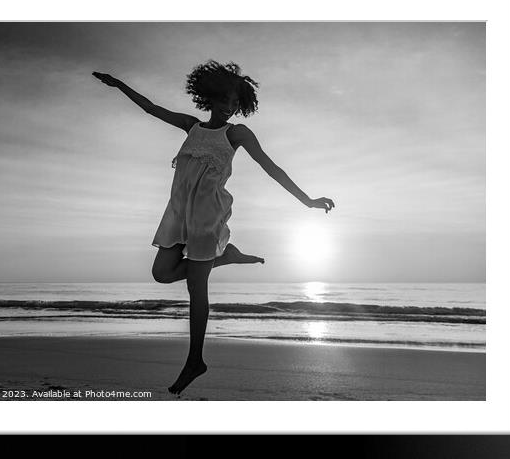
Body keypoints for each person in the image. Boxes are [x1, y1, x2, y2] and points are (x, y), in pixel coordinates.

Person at [92, 60, 335, 395]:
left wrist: (307, 201)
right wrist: (119, 85)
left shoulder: (236, 134)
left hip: (207, 216)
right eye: (225, 99)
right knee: (161, 273)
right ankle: (227, 258)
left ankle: (195, 360)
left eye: (236, 102)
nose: (230, 106)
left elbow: (271, 167)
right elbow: (150, 108)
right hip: (178, 215)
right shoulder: (191, 126)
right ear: (210, 97)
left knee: (196, 288)